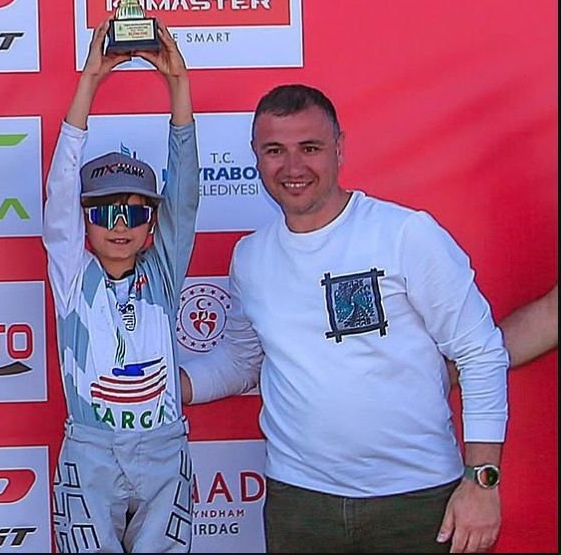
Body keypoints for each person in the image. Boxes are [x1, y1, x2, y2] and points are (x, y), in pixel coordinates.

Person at [179, 84, 508, 554]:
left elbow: (480, 352)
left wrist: (481, 480)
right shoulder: (250, 257)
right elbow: (239, 362)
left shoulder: (405, 234)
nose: (293, 167)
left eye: (309, 148)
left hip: (419, 501)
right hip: (300, 505)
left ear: (339, 148)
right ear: (256, 156)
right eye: (275, 150)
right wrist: (162, 388)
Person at [44, 21, 199, 553]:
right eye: (103, 211)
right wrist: (89, 81)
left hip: (164, 451)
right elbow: (61, 188)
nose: (119, 225)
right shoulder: (72, 275)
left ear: (151, 222)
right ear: (83, 221)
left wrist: (179, 87)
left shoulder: (162, 273)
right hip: (90, 453)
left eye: (133, 212)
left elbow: (184, 194)